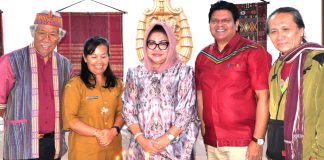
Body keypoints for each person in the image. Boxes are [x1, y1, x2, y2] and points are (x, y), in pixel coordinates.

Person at [195, 1, 272, 160]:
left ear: (237, 24)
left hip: (243, 142)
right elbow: (200, 95)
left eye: (226, 20)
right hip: (212, 141)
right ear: (209, 25)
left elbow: (264, 97)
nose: (219, 24)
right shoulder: (203, 56)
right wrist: (204, 130)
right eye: (215, 21)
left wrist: (257, 141)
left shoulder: (253, 52)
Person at [0, 10, 73, 159]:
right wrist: (19, 119)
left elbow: (70, 100)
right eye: (42, 33)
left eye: (53, 34)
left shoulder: (65, 65)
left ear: (59, 37)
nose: (46, 39)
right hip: (20, 144)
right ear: (33, 32)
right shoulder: (11, 61)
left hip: (52, 144)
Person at [122, 22, 199, 160]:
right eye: (151, 43)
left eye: (163, 43)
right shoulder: (134, 73)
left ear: (171, 45)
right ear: (145, 45)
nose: (157, 48)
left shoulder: (184, 72)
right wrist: (142, 141)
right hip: (142, 149)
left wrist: (165, 139)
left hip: (175, 149)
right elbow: (128, 110)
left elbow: (186, 112)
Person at [266, 7, 324, 160]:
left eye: (286, 29)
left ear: (301, 30)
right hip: (279, 150)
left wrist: (319, 155)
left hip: (308, 153)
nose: (280, 36)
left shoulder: (318, 62)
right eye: (273, 31)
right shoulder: (276, 66)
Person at [62, 36, 124, 160]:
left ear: (109, 57)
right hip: (85, 152)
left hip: (113, 149)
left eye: (103, 56)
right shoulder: (74, 85)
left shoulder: (118, 84)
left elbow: (122, 112)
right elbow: (71, 120)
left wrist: (113, 131)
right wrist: (98, 133)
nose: (99, 62)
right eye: (94, 57)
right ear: (85, 58)